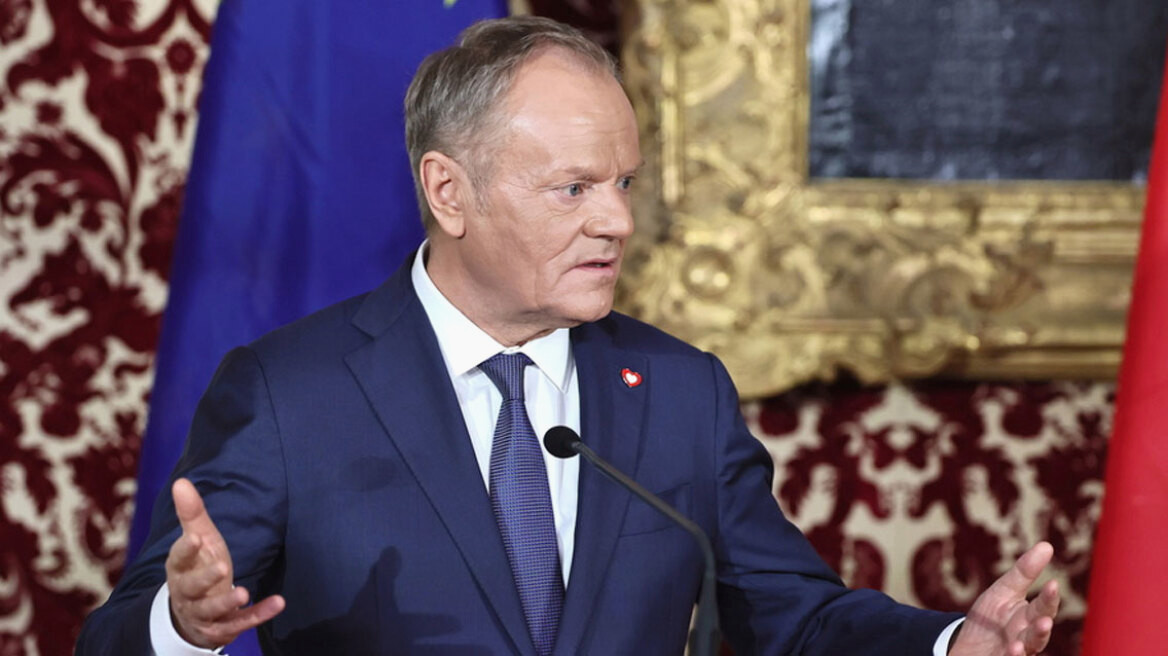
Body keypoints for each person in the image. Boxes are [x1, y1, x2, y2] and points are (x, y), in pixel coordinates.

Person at [77, 16, 1059, 656]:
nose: (617, 221)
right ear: (448, 192)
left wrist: (950, 645)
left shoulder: (679, 390)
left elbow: (792, 614)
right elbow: (115, 635)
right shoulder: (292, 393)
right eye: (574, 188)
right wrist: (184, 624)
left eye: (623, 182)